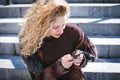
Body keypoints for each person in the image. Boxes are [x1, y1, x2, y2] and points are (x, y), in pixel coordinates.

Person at [19, 0, 98, 80]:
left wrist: (80, 59)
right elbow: (39, 77)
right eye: (55, 27)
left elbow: (89, 54)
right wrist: (61, 67)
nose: (61, 31)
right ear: (42, 25)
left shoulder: (73, 32)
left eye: (63, 25)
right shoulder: (30, 42)